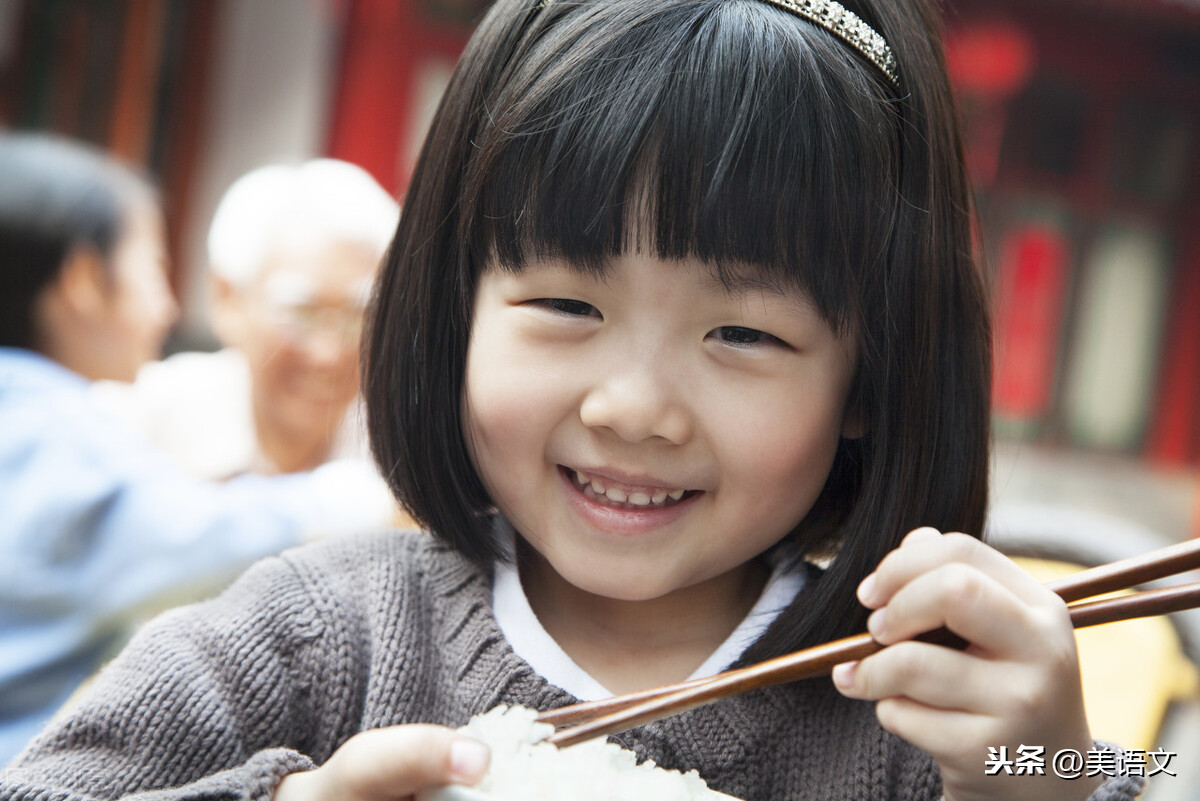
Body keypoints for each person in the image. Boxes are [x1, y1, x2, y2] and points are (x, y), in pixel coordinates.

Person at [0, 2, 1144, 800]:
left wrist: (1039, 778)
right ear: (456, 311)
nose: (633, 407)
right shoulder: (317, 637)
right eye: (564, 305)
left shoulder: (910, 703)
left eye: (742, 332)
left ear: (869, 378)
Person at [0, 133, 394, 766]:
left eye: (358, 314)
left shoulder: (396, 438)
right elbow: (190, 536)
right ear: (229, 299)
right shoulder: (105, 427)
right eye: (152, 269)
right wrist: (378, 504)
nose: (166, 307)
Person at [93, 159, 399, 479]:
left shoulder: (399, 456)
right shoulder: (135, 423)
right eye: (302, 313)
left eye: (358, 318)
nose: (328, 354)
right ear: (227, 298)